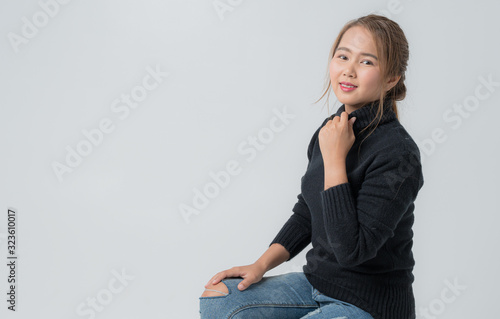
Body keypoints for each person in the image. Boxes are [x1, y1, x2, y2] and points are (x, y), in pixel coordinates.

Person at [199, 13, 424, 319]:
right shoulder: (331, 130)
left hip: (369, 304)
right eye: (343, 56)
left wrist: (334, 161)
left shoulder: (398, 153)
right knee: (219, 299)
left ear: (391, 79)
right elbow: (307, 211)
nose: (348, 70)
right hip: (316, 285)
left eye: (366, 62)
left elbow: (351, 251)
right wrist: (260, 265)